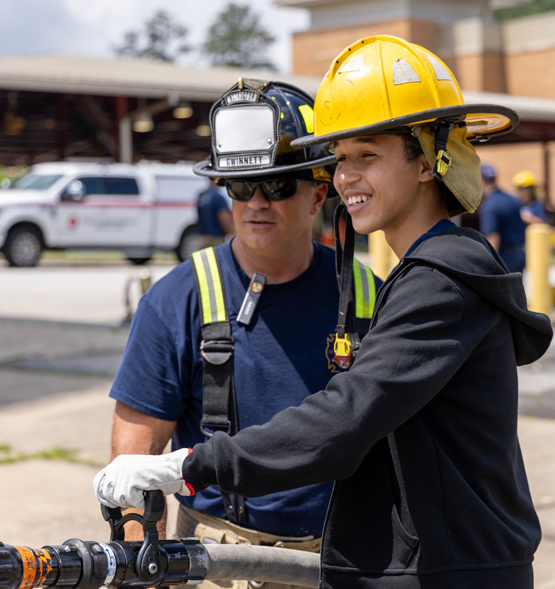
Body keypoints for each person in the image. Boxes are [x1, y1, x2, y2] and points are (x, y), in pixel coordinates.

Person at [95, 37, 553, 589]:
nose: (346, 177)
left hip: (441, 569)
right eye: (340, 159)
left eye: (368, 155)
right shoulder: (427, 275)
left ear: (430, 161)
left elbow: (345, 418)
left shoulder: (435, 283)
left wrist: (186, 465)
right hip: (339, 562)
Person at [100, 79, 380, 588]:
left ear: (319, 192)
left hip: (343, 561)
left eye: (275, 186)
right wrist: (141, 571)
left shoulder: (368, 297)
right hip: (217, 563)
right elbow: (132, 468)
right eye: (239, 187)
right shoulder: (176, 301)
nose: (256, 202)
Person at [479, 163, 526, 272]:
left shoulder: (490, 206)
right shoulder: (513, 199)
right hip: (521, 254)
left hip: (505, 257)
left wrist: (490, 267)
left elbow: (493, 239)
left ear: (482, 181)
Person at [197, 180, 235, 249]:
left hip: (202, 240)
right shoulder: (218, 198)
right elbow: (225, 221)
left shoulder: (202, 196)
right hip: (215, 241)